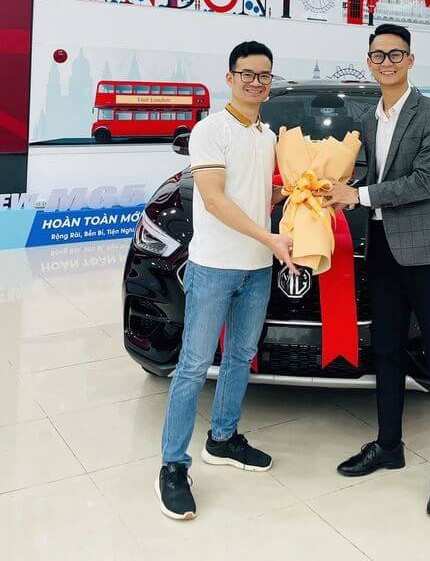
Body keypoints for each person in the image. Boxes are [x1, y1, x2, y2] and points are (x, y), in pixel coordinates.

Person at [321, 23, 430, 518]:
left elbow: (425, 182)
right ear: (369, 62)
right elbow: (367, 175)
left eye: (395, 54)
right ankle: (388, 445)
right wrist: (325, 187)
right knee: (385, 350)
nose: (387, 62)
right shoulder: (367, 118)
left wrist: (358, 195)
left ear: (410, 60)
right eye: (378, 55)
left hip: (428, 253)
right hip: (381, 248)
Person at [156, 41, 296, 521]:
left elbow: (256, 194)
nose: (256, 83)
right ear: (230, 78)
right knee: (194, 365)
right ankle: (173, 466)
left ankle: (223, 438)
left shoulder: (267, 135)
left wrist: (296, 193)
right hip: (215, 266)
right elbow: (215, 200)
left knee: (240, 356)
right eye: (248, 74)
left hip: (257, 268)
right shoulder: (210, 130)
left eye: (264, 75)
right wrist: (270, 237)